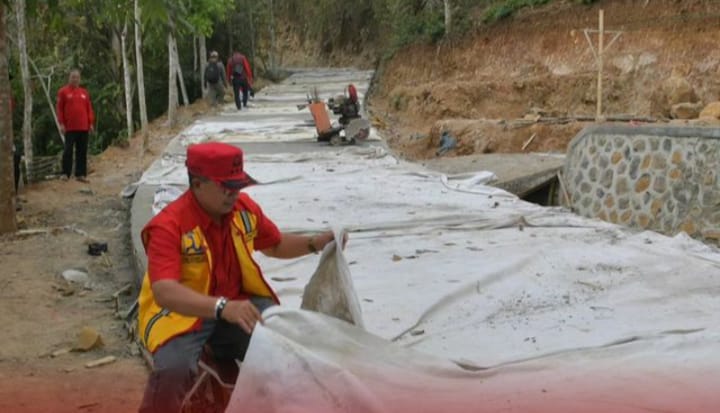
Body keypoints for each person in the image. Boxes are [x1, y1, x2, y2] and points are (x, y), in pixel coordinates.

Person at [137, 141, 344, 413]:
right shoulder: (169, 225)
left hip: (235, 305)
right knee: (174, 370)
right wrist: (222, 307)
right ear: (197, 184)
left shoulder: (243, 211)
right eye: (226, 186)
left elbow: (275, 244)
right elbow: (165, 291)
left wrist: (315, 243)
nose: (234, 193)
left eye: (238, 185)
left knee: (284, 342)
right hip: (182, 316)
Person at [56, 68, 95, 183]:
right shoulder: (63, 92)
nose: (75, 79)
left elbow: (89, 109)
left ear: (80, 79)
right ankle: (65, 173)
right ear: (69, 78)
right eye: (73, 77)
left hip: (83, 127)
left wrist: (91, 123)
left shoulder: (84, 93)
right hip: (70, 127)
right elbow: (59, 109)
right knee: (68, 150)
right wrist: (61, 123)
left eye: (77, 77)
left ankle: (81, 174)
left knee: (82, 151)